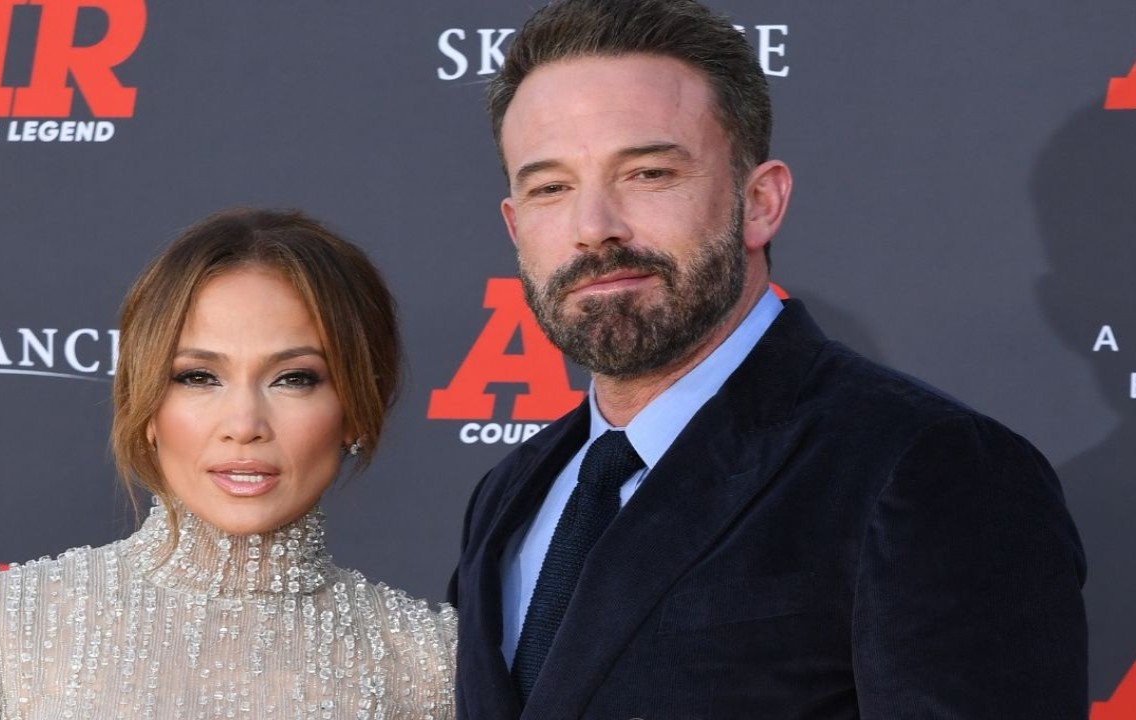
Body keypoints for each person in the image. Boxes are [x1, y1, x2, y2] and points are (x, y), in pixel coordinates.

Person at [449, 1, 1088, 718]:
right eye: (550, 188)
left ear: (760, 202)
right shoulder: (511, 495)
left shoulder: (928, 470)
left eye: (649, 174)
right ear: (515, 227)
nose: (594, 228)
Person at [0, 208, 456, 719]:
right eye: (198, 377)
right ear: (148, 406)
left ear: (356, 406)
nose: (243, 423)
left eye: (294, 378)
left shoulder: (433, 662)